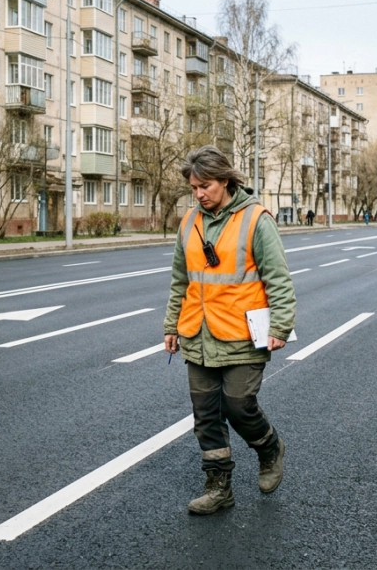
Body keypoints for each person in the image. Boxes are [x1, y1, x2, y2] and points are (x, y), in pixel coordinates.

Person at [164, 145, 296, 516]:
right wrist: (171, 325)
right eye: (194, 187)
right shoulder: (189, 222)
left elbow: (278, 279)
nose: (199, 193)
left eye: (205, 185)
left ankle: (269, 448)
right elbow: (180, 280)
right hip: (198, 333)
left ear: (225, 180)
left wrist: (282, 325)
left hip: (242, 333)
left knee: (239, 406)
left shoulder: (256, 220)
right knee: (205, 415)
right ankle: (218, 486)